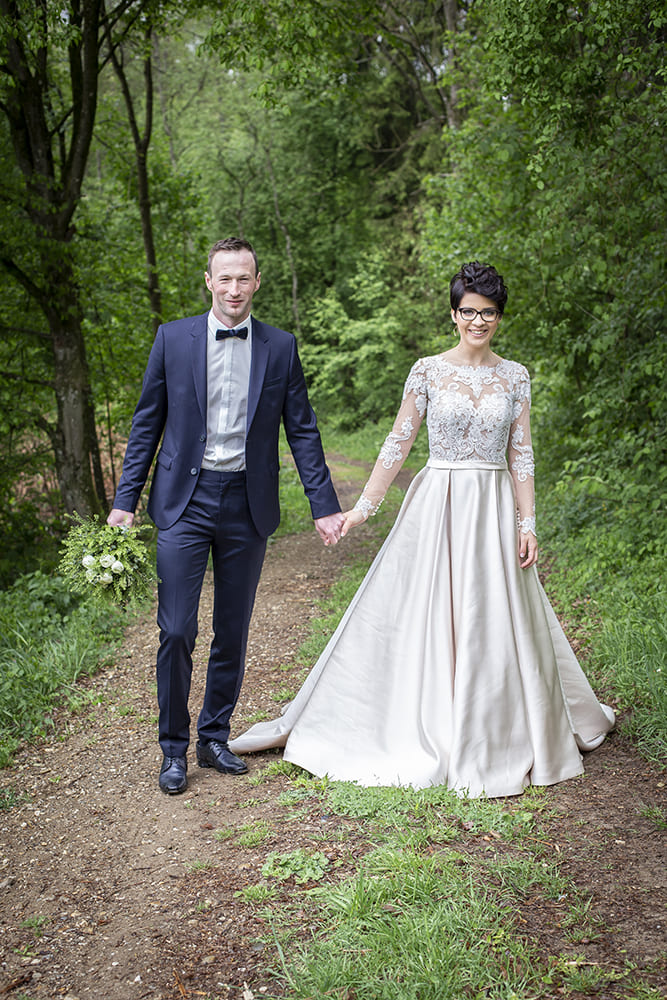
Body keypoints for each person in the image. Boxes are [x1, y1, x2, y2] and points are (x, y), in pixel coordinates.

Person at [230, 261, 615, 798]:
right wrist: (363, 509)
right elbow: (399, 442)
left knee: (494, 612)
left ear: (499, 317)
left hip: (494, 504)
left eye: (488, 313)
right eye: (468, 311)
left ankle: (499, 726)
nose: (478, 322)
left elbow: (522, 455)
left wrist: (527, 523)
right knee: (423, 610)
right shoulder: (428, 371)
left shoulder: (515, 376)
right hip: (438, 502)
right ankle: (422, 719)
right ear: (453, 314)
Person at [108, 237, 345, 794]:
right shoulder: (172, 339)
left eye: (244, 278)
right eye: (225, 278)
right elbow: (147, 424)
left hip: (246, 502)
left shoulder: (281, 346)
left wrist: (324, 506)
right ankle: (173, 749)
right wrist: (124, 501)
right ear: (209, 281)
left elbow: (302, 429)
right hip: (182, 503)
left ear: (256, 282)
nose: (234, 289)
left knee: (232, 629)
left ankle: (213, 736)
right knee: (176, 629)